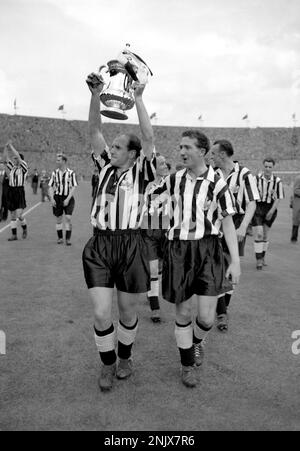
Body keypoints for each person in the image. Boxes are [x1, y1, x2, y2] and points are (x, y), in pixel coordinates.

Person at [82, 72, 156, 392]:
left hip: (130, 244)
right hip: (100, 245)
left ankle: (125, 357)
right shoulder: (104, 166)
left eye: (117, 146)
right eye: (111, 146)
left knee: (127, 312)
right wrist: (96, 94)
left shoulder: (141, 171)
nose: (110, 148)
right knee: (101, 312)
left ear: (132, 153)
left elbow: (150, 139)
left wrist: (138, 98)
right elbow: (94, 129)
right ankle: (108, 364)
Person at [150, 130, 241, 388]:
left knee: (207, 318)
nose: (181, 152)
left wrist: (235, 260)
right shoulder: (174, 179)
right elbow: (152, 200)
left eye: (187, 147)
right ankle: (187, 365)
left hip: (209, 250)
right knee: (183, 310)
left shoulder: (218, 182)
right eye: (180, 147)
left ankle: (197, 340)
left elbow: (227, 221)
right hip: (178, 250)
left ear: (202, 151)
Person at [211, 140, 259, 332]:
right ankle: (221, 313)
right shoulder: (213, 174)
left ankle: (224, 307)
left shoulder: (244, 174)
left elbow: (252, 203)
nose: (211, 156)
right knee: (215, 269)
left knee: (230, 268)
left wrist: (243, 227)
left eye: (214, 153)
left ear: (223, 154)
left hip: (237, 223)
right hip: (216, 223)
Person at [141, 153, 170, 323]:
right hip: (149, 231)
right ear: (153, 168)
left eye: (165, 163)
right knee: (153, 270)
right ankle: (155, 308)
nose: (165, 166)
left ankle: (151, 290)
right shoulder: (146, 186)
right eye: (161, 164)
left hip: (167, 231)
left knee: (160, 268)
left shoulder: (172, 182)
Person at [252, 158, 284, 269]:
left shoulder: (277, 181)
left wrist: (271, 211)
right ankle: (259, 260)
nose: (267, 169)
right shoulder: (256, 179)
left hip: (271, 208)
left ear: (273, 168)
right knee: (259, 233)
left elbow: (279, 198)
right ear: (263, 166)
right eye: (266, 166)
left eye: (270, 167)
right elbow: (252, 195)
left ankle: (263, 256)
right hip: (258, 207)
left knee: (265, 234)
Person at [48, 154, 78, 246]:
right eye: (57, 160)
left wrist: (68, 199)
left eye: (58, 160)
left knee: (68, 218)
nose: (57, 162)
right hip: (57, 198)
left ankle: (68, 239)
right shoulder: (54, 173)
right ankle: (60, 238)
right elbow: (50, 187)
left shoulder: (71, 173)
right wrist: (52, 198)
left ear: (64, 161)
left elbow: (73, 187)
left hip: (68, 197)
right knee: (59, 219)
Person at [3, 142, 28, 241]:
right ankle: (14, 235)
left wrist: (11, 146)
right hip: (11, 191)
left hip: (19, 191)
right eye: (13, 158)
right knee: (12, 214)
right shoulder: (12, 167)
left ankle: (24, 228)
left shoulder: (23, 167)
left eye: (16, 158)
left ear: (20, 160)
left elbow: (17, 154)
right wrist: (5, 147)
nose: (14, 159)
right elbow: (5, 159)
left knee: (19, 214)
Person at [290, 175, 300, 243]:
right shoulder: (298, 178)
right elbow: (296, 190)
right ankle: (294, 237)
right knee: (296, 220)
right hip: (298, 201)